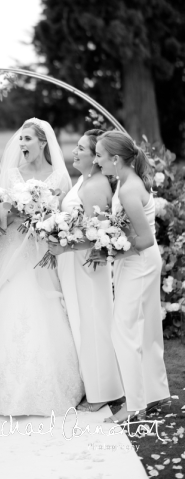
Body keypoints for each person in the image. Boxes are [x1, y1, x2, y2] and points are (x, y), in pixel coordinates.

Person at [0, 118, 84, 416]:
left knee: (45, 304)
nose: (22, 144)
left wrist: (42, 220)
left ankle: (52, 384)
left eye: (28, 139)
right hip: (14, 249)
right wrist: (16, 213)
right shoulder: (11, 175)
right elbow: (3, 218)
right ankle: (4, 386)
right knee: (11, 303)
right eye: (20, 139)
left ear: (42, 143)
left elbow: (63, 220)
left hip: (42, 252)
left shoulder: (60, 178)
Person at [94, 131, 170, 424]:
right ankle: (154, 393)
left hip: (140, 263)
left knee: (123, 330)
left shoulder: (127, 188)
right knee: (148, 327)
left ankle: (135, 404)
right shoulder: (126, 181)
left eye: (99, 155)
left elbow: (146, 238)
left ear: (115, 159)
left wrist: (109, 251)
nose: (98, 161)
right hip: (140, 262)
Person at [49, 129, 124, 412]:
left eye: (81, 149)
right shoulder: (85, 180)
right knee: (84, 321)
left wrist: (63, 247)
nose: (74, 152)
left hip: (87, 265)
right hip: (76, 262)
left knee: (93, 323)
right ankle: (97, 385)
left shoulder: (94, 185)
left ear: (95, 158)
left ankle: (102, 391)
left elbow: (97, 234)